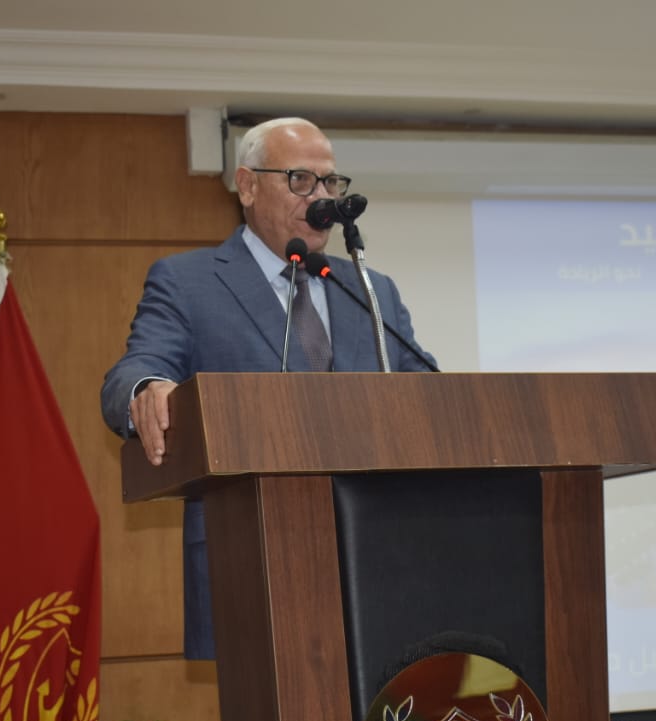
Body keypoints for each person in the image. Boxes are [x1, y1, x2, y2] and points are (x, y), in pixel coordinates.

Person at [101, 116, 437, 659]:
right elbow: (133, 371)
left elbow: (427, 392)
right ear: (248, 186)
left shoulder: (372, 289)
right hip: (251, 559)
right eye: (300, 180)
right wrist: (151, 388)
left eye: (330, 182)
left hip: (381, 556)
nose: (321, 197)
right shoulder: (187, 283)